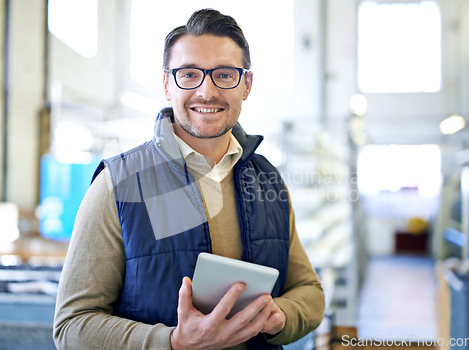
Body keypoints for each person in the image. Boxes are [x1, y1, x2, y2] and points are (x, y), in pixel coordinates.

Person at [53, 8, 325, 350]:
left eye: (225, 75)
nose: (206, 91)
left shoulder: (268, 180)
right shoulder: (120, 184)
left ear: (247, 85)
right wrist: (171, 341)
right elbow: (72, 326)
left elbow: (310, 292)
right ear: (167, 84)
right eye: (189, 74)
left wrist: (280, 316)